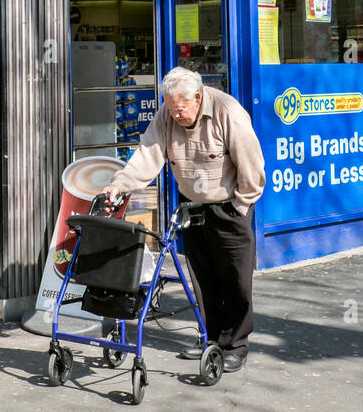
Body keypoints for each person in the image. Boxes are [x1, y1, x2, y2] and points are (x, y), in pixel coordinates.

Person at [103, 66, 265, 372]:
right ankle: (210, 339)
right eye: (171, 108)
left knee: (235, 278)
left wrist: (241, 205)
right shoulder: (167, 113)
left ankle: (235, 345)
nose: (176, 115)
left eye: (181, 109)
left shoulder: (227, 111)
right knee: (203, 278)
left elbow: (251, 162)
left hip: (228, 205)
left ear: (198, 98)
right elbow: (148, 153)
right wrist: (119, 183)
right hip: (192, 206)